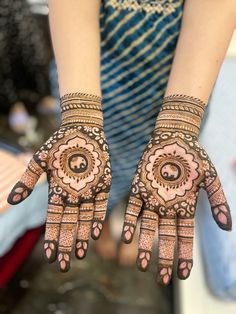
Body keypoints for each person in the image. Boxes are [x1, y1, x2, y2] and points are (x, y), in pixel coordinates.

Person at [7, 0, 235, 282]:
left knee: (158, 178)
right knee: (93, 173)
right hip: (95, 76)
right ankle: (100, 224)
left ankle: (135, 226)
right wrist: (82, 114)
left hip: (180, 80)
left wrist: (179, 121)